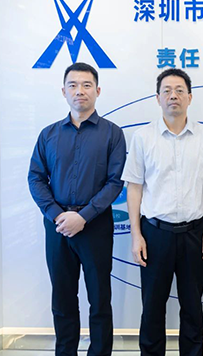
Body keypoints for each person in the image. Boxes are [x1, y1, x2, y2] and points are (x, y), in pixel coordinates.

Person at [28, 62, 126, 356]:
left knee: (99, 299)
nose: (79, 91)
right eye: (73, 85)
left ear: (98, 90)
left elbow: (115, 182)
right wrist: (58, 215)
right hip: (57, 227)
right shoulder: (48, 134)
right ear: (64, 91)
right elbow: (36, 178)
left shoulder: (112, 133)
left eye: (86, 85)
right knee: (63, 299)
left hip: (95, 226)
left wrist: (83, 217)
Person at [121, 68, 203, 356]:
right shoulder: (143, 137)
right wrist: (136, 235)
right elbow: (134, 188)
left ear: (190, 97)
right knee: (152, 307)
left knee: (192, 307)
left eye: (179, 90)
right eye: (166, 91)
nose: (173, 95)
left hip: (194, 233)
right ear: (158, 98)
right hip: (155, 234)